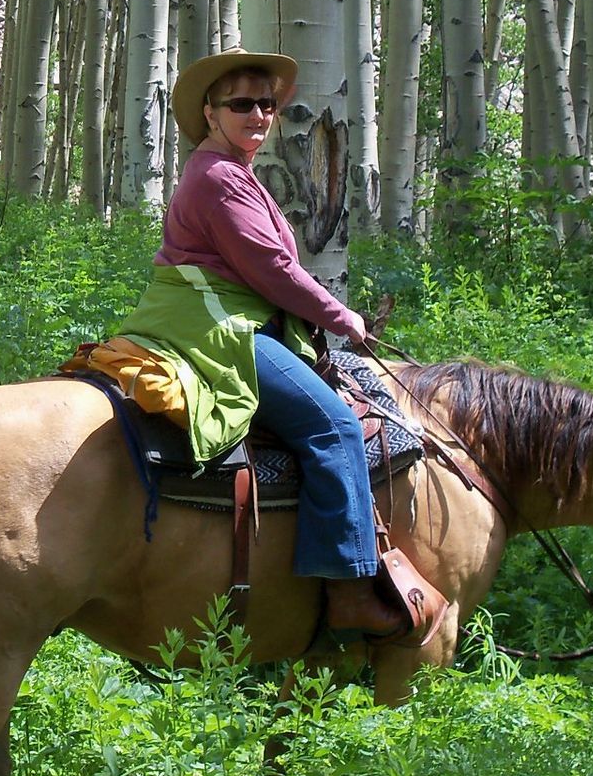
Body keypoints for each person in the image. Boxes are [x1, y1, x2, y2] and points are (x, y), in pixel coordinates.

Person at [114, 46, 438, 642]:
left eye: (267, 104)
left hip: (212, 316)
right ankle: (347, 592)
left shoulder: (231, 172)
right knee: (334, 426)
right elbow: (273, 272)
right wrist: (342, 317)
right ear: (210, 113)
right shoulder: (219, 181)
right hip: (216, 329)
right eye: (242, 104)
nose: (259, 115)